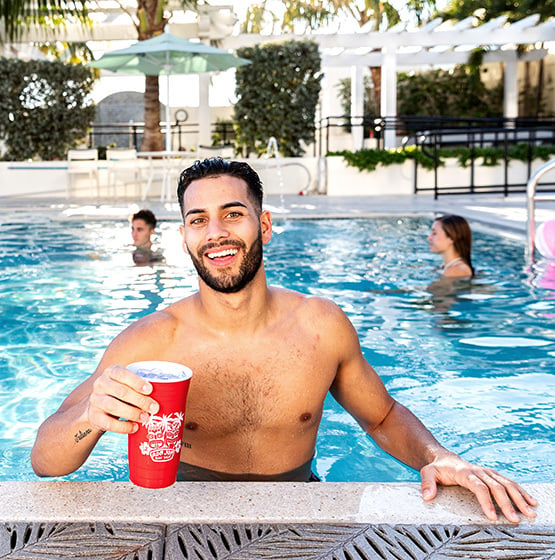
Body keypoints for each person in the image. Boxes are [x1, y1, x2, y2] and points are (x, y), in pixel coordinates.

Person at [31, 158, 536, 523]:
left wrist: (438, 456)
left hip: (301, 506)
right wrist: (87, 419)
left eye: (233, 213)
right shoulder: (152, 340)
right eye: (197, 220)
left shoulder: (320, 325)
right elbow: (45, 461)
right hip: (179, 512)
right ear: (184, 237)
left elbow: (381, 416)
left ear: (264, 224)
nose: (216, 233)